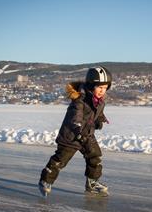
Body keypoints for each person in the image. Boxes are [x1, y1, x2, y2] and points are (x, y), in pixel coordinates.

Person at [38, 66, 112, 197]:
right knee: (60, 160)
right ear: (91, 85)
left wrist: (100, 119)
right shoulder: (80, 100)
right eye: (99, 87)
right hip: (71, 136)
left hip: (87, 134)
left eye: (105, 88)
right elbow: (75, 117)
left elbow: (97, 112)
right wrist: (78, 130)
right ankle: (45, 180)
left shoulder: (99, 101)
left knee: (95, 156)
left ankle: (92, 183)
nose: (102, 91)